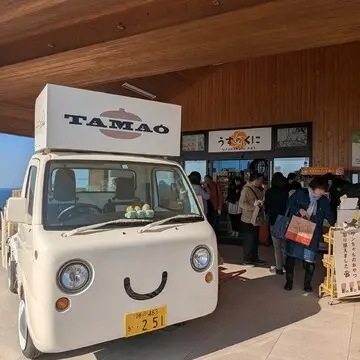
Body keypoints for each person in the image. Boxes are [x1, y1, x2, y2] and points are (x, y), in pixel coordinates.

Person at [284, 177, 335, 292]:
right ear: (313, 187)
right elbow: (289, 204)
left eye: (324, 190)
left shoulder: (323, 200)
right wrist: (299, 210)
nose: (322, 192)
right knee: (291, 256)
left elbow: (329, 215)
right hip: (298, 227)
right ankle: (289, 281)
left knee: (310, 259)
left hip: (314, 231)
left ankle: (307, 284)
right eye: (320, 189)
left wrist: (337, 224)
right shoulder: (300, 193)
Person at [239, 172, 266, 265]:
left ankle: (254, 257)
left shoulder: (259, 189)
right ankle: (247, 259)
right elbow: (241, 203)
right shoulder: (246, 189)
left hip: (256, 219)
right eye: (261, 180)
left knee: (255, 240)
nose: (262, 181)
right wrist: (253, 207)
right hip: (248, 219)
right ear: (256, 179)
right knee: (249, 240)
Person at [264, 172, 289, 275]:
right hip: (285, 220)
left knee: (276, 246)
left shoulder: (269, 192)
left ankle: (279, 268)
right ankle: (285, 265)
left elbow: (267, 206)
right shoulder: (286, 192)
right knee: (284, 245)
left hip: (274, 220)